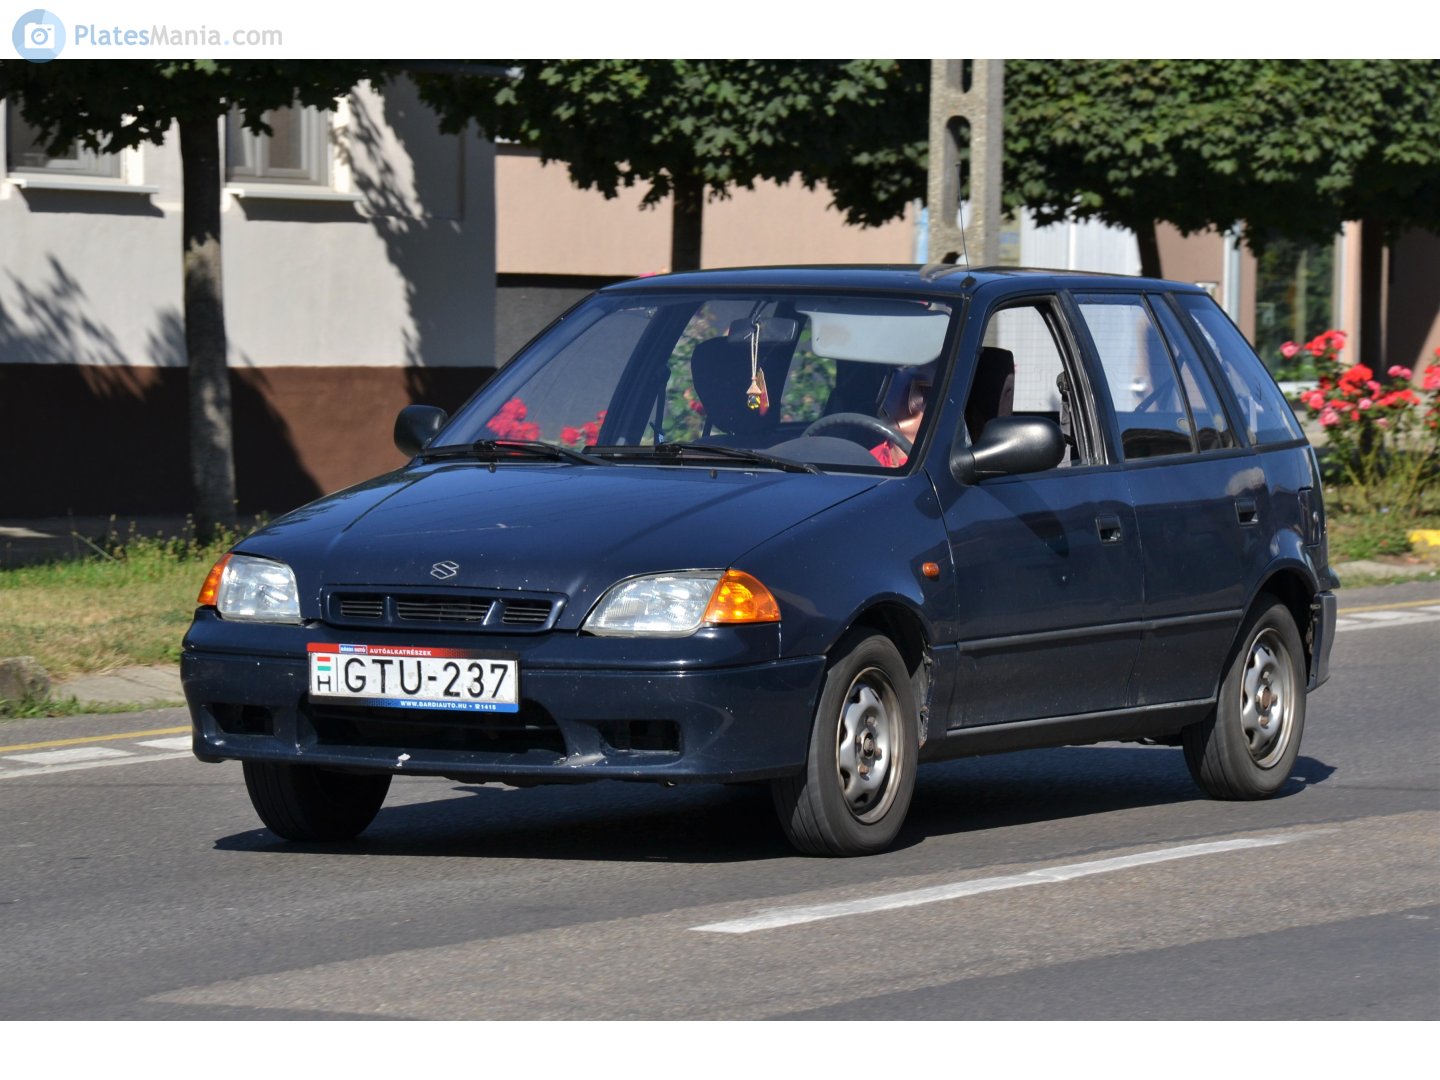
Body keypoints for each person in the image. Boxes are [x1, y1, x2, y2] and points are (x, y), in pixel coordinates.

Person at [870, 364, 931, 467]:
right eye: (894, 388)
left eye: (920, 392)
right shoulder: (865, 460)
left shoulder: (941, 467)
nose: (899, 400)